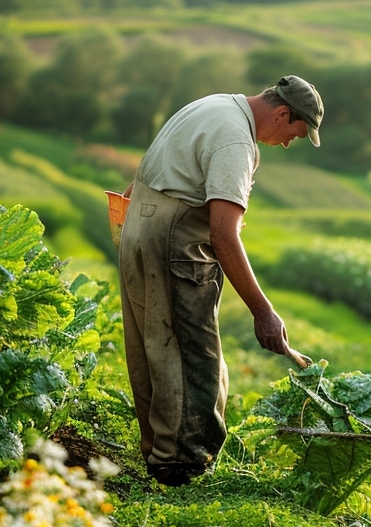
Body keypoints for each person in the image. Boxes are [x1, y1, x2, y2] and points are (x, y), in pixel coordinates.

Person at [119, 75, 323, 486]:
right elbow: (223, 234)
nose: (287, 143)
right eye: (293, 134)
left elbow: (141, 179)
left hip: (139, 229)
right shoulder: (235, 141)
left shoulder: (212, 105)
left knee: (154, 349)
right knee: (193, 358)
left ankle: (160, 455)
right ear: (282, 113)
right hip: (174, 241)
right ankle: (181, 469)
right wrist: (263, 312)